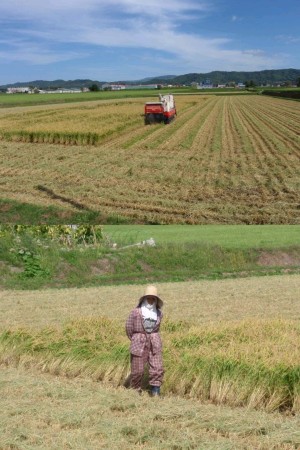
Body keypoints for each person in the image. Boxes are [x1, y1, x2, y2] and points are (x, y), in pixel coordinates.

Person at [125, 285, 164, 396]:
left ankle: (155, 392)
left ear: (156, 300)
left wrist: (151, 337)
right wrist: (136, 338)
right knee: (138, 370)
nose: (151, 301)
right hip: (138, 341)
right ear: (144, 299)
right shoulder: (135, 312)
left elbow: (158, 328)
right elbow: (128, 328)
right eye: (149, 298)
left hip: (154, 342)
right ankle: (135, 391)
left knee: (157, 367)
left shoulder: (159, 314)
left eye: (153, 298)